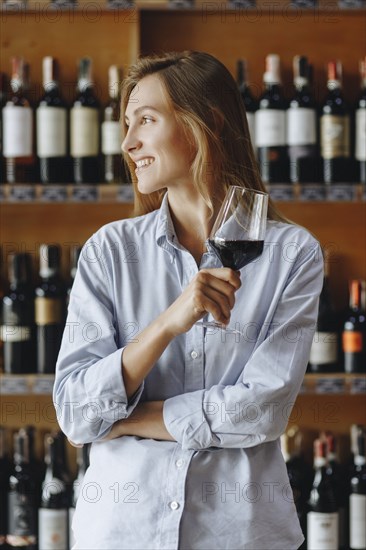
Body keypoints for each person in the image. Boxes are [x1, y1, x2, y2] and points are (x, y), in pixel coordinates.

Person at [53, 51, 323, 550]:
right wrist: (169, 323)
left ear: (206, 124)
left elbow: (260, 413)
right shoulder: (109, 252)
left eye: (146, 121)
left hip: (240, 536)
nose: (128, 142)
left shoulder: (293, 254)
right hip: (121, 534)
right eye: (126, 124)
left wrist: (126, 419)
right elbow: (75, 413)